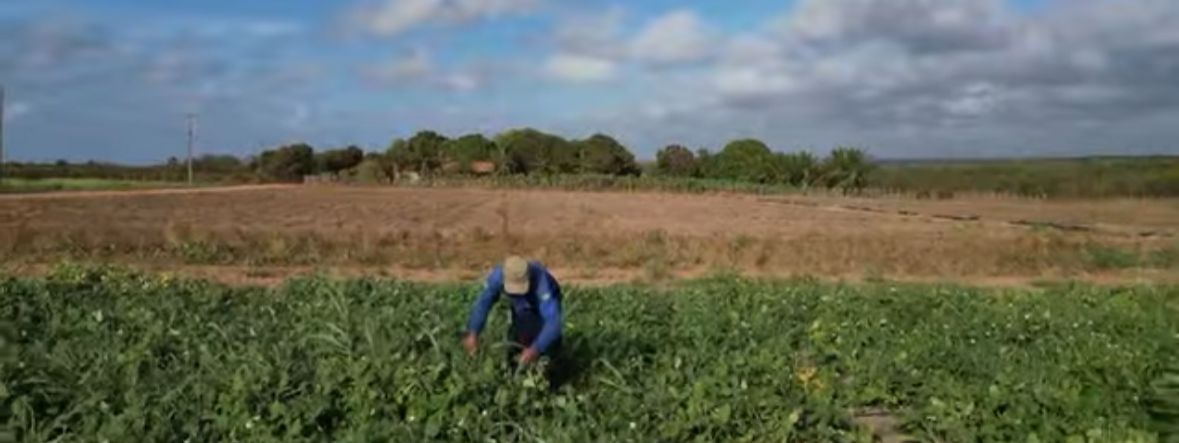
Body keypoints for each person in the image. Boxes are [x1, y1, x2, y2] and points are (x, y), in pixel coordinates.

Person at [462, 255, 564, 379]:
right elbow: (483, 303)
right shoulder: (497, 277)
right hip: (521, 308)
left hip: (543, 303)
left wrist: (535, 349)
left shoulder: (542, 283)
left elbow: (554, 322)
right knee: (521, 332)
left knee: (547, 343)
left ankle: (551, 372)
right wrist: (473, 331)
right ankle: (515, 373)